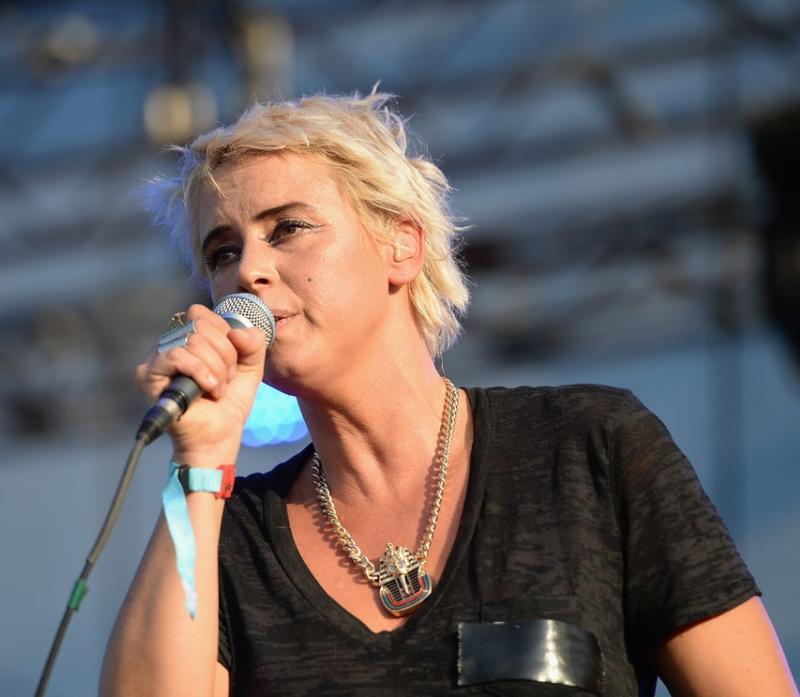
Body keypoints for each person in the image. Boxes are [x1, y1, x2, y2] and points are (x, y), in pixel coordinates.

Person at [99, 91, 798, 697]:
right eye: (223, 251)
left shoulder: (589, 448)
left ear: (400, 245)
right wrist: (201, 461)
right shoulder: (230, 540)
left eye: (288, 228)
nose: (249, 268)